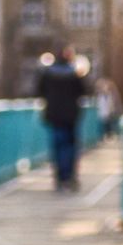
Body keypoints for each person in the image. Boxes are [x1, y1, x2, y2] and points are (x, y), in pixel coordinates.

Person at [36, 46, 86, 192]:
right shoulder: (74, 73)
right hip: (71, 116)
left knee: (58, 146)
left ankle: (60, 177)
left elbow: (40, 91)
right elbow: (82, 91)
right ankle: (69, 177)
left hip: (55, 115)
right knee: (70, 147)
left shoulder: (48, 73)